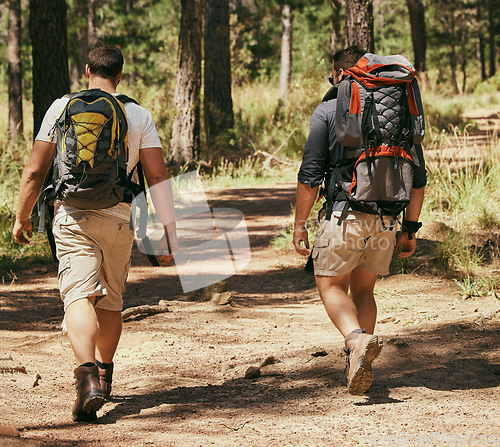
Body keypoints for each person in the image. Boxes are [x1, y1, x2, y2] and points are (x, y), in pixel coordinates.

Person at [13, 45, 176, 421]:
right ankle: (104, 374)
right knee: (111, 301)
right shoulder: (137, 113)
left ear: (87, 70)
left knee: (77, 295)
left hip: (73, 215)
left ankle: (86, 379)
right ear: (120, 75)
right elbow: (157, 176)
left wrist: (22, 217)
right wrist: (169, 230)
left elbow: (35, 171)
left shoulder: (61, 107)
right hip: (121, 216)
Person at [293, 46, 426, 395]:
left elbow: (310, 175)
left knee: (331, 285)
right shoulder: (400, 114)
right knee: (364, 289)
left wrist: (299, 224)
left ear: (339, 75)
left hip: (344, 215)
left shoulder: (327, 109)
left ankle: (355, 340)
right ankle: (360, 358)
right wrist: (410, 230)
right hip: (387, 218)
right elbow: (419, 179)